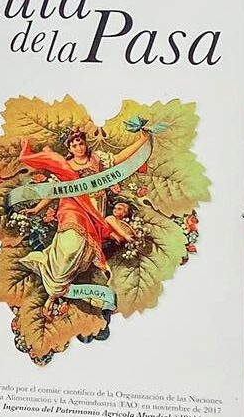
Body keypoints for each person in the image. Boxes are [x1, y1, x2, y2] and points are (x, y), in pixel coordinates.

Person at [15, 127, 149, 308]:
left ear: (85, 144)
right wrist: (37, 208)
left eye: (81, 143)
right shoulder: (67, 166)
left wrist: (142, 140)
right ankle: (55, 280)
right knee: (71, 245)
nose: (79, 148)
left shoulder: (97, 159)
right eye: (75, 145)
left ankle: (59, 286)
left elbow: (120, 158)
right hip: (73, 207)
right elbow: (55, 191)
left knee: (83, 256)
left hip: (95, 210)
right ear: (69, 149)